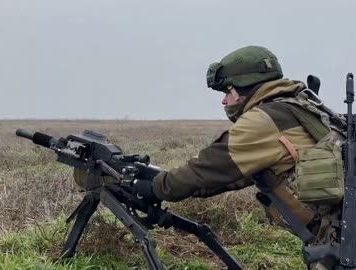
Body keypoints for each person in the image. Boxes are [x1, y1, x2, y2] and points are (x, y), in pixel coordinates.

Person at [74, 45, 345, 269]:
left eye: (228, 91)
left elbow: (206, 169)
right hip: (339, 227)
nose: (225, 101)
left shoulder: (262, 121)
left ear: (246, 86)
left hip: (339, 238)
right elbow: (235, 176)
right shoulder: (302, 105)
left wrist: (155, 188)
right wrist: (160, 179)